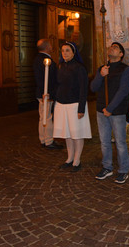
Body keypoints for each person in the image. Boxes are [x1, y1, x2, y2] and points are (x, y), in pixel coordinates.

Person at [91, 42, 129, 184]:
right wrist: (101, 75)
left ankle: (123, 170)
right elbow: (93, 87)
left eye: (115, 48)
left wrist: (110, 108)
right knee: (104, 141)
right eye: (111, 47)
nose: (111, 48)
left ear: (121, 54)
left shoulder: (125, 69)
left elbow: (123, 91)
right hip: (101, 110)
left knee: (120, 142)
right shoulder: (103, 68)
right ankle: (107, 167)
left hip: (117, 111)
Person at [53, 41, 91, 172]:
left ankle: (77, 160)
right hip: (61, 104)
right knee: (67, 133)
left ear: (74, 53)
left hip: (75, 104)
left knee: (76, 133)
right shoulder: (61, 66)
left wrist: (81, 108)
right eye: (63, 51)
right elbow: (58, 85)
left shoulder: (79, 67)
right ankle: (69, 158)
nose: (64, 53)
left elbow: (83, 88)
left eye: (67, 50)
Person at [33, 39, 63, 149]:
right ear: (46, 47)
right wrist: (48, 93)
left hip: (40, 92)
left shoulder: (37, 59)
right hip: (46, 93)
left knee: (42, 117)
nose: (51, 47)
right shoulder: (47, 61)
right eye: (50, 45)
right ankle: (49, 141)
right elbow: (49, 79)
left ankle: (43, 139)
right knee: (48, 117)